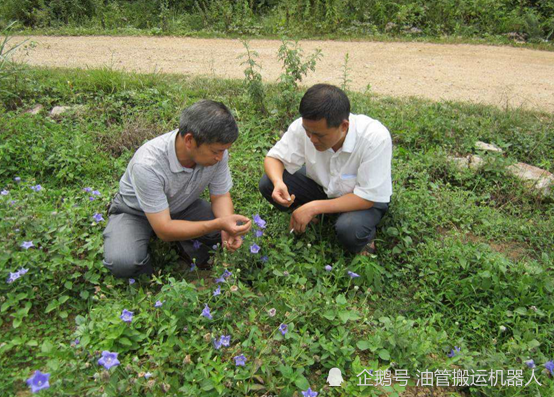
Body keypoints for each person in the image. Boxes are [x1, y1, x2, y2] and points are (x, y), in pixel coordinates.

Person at [103, 100, 251, 278]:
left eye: (223, 151)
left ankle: (182, 244)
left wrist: (227, 226)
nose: (220, 157)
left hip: (182, 205)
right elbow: (164, 228)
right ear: (189, 140)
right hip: (135, 212)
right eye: (215, 151)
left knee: (218, 233)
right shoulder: (148, 164)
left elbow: (220, 196)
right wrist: (218, 224)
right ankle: (152, 275)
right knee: (124, 262)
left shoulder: (217, 152)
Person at [259, 84, 392, 254]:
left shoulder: (374, 138)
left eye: (320, 135)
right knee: (267, 183)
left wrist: (313, 207)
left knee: (349, 229)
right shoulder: (307, 127)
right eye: (308, 132)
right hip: (325, 187)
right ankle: (314, 215)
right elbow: (274, 158)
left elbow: (367, 197)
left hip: (363, 200)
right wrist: (278, 183)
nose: (312, 139)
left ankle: (363, 240)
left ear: (344, 126)